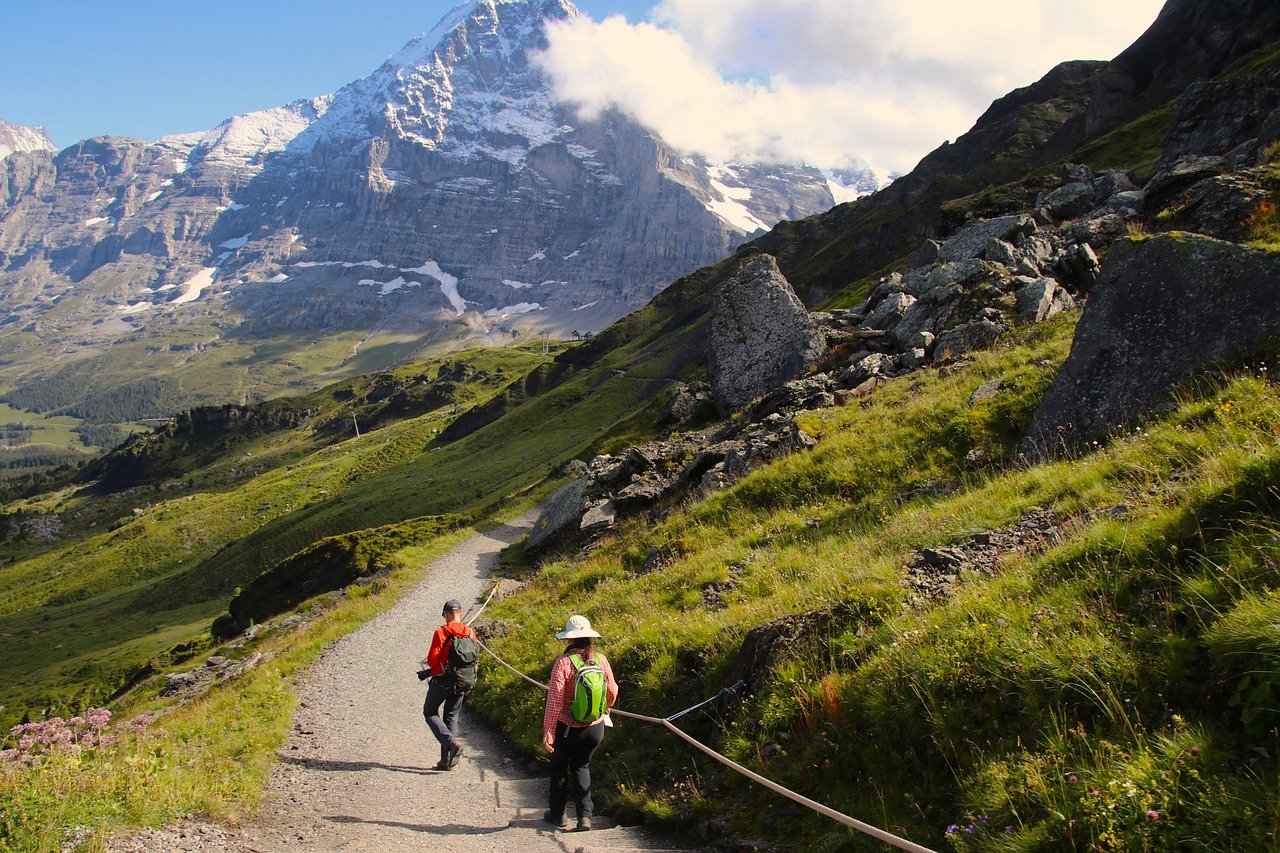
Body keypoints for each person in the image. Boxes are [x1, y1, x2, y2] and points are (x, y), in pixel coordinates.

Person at [542, 614, 618, 832]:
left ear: (569, 640)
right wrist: (604, 710)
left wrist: (548, 731)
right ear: (589, 638)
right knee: (581, 765)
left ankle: (558, 815)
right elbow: (612, 690)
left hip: (567, 728)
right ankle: (585, 817)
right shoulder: (601, 659)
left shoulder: (563, 663)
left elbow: (555, 699)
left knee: (559, 767)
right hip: (595, 728)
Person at [420, 598, 477, 771]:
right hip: (463, 681)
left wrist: (432, 672)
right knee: (451, 716)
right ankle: (446, 761)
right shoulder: (469, 632)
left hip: (443, 681)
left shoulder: (441, 632)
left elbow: (432, 660)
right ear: (459, 613)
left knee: (429, 712)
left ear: (446, 614)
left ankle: (450, 743)